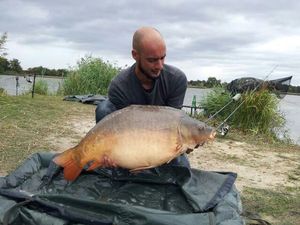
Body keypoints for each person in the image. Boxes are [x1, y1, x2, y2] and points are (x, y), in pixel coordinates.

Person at [96, 26, 190, 167]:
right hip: (131, 138)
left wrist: (188, 141)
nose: (159, 66)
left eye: (163, 58)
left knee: (182, 168)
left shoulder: (177, 79)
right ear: (135, 55)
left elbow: (173, 125)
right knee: (104, 108)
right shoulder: (119, 85)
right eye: (152, 60)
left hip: (162, 138)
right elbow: (123, 131)